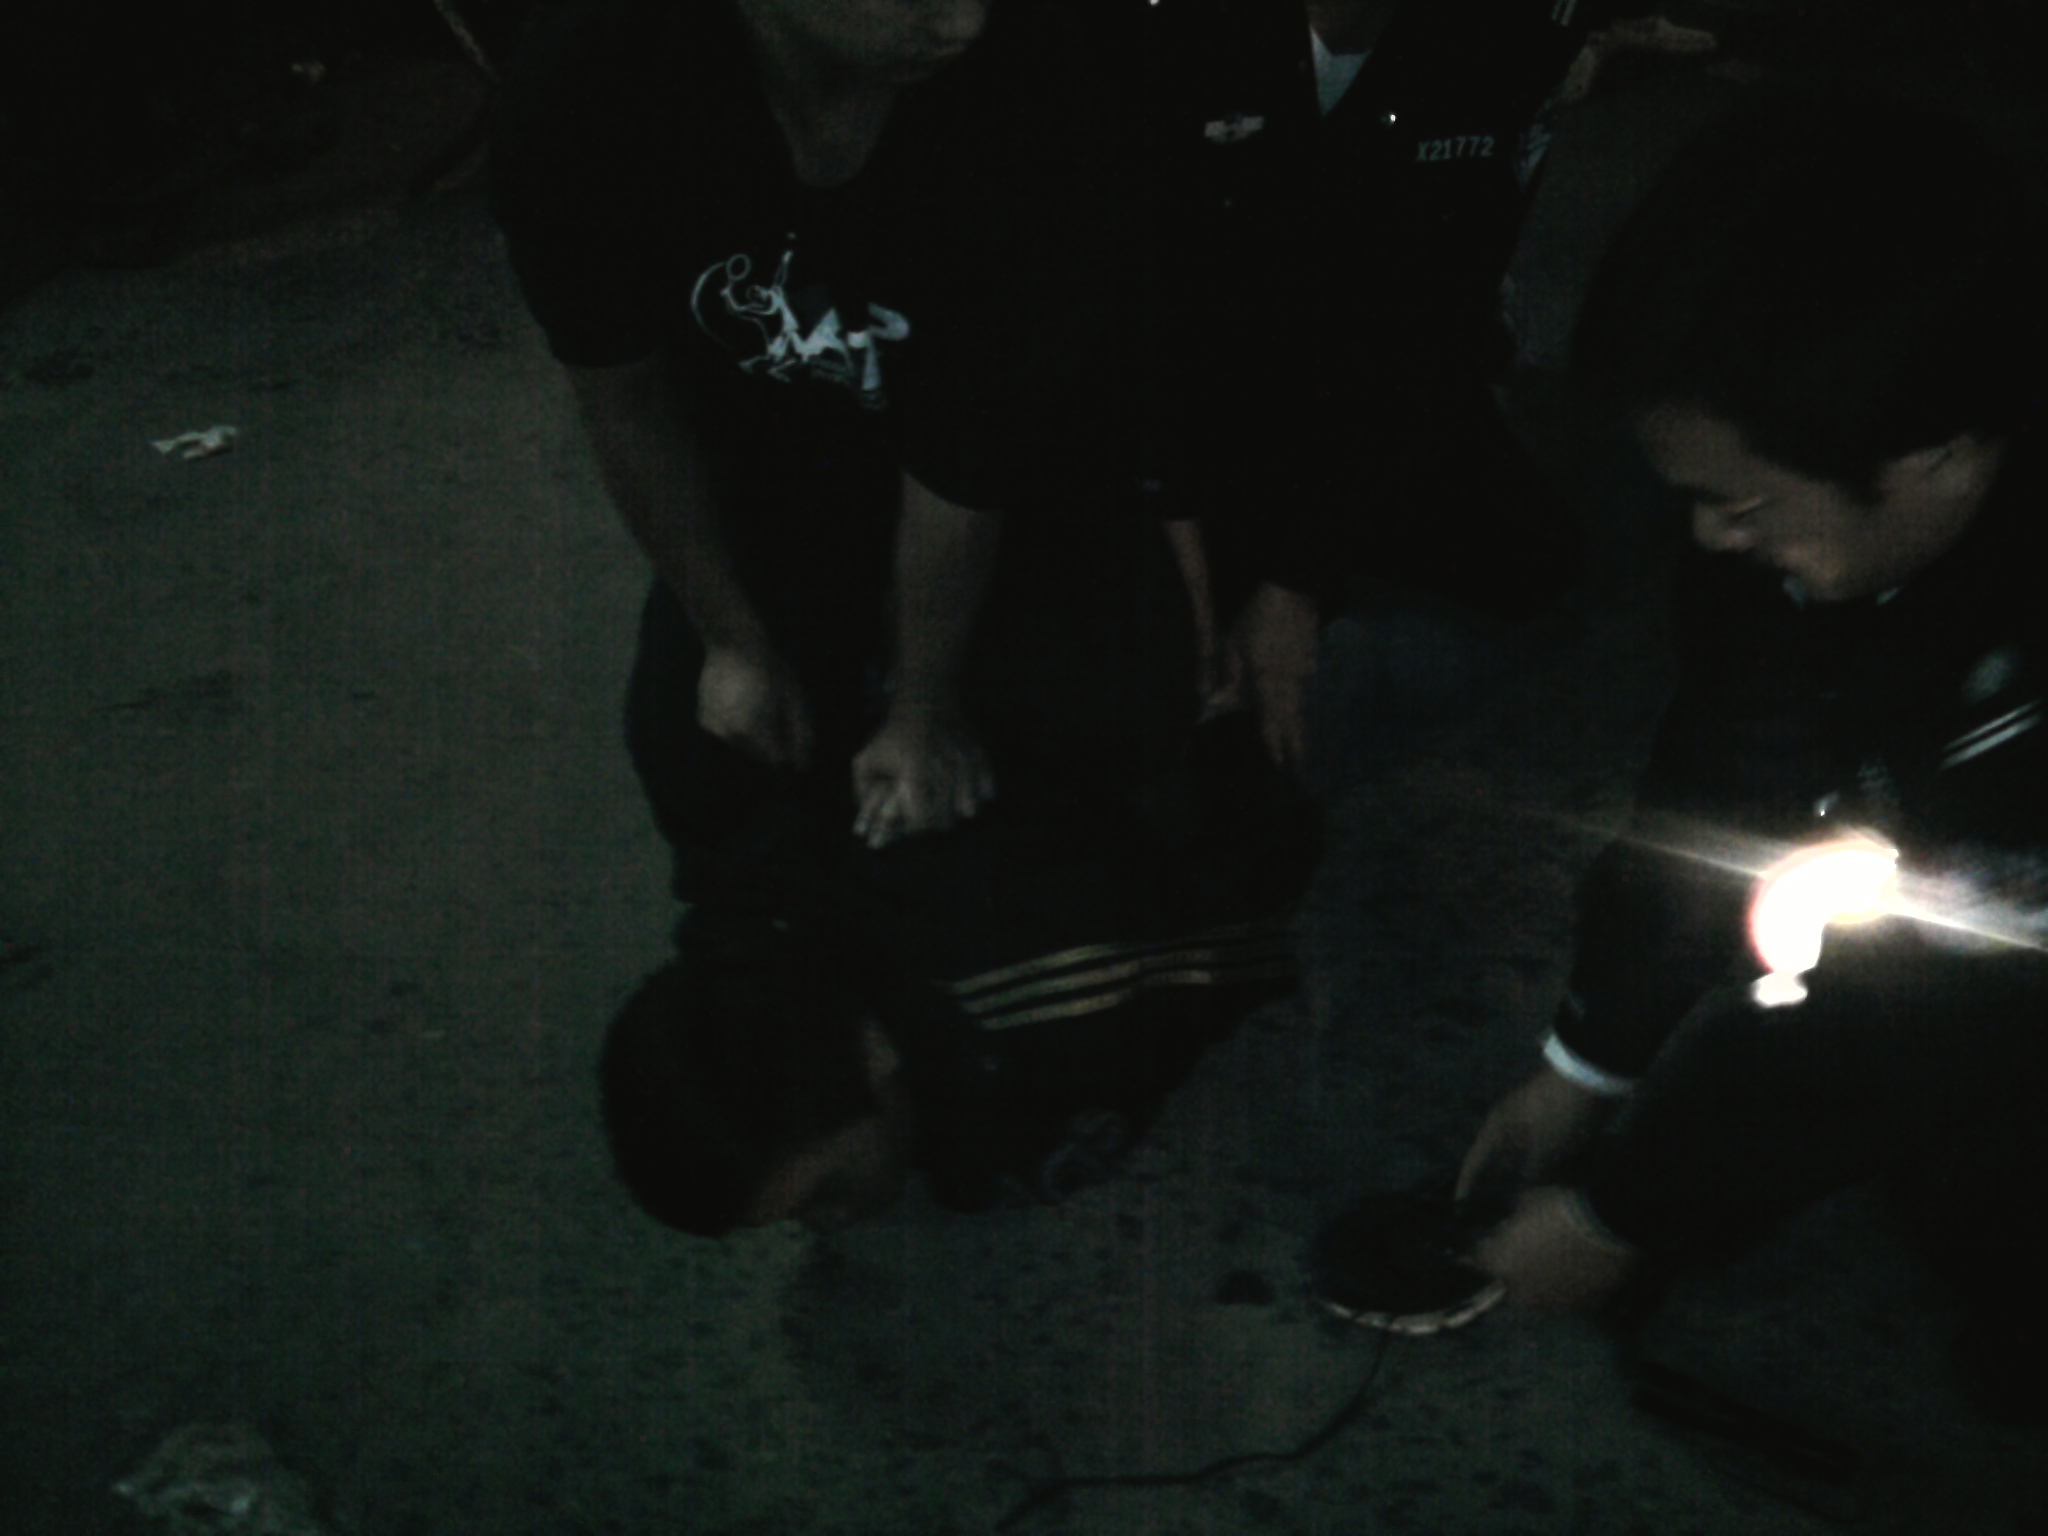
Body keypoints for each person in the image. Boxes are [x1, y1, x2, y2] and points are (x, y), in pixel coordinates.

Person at [1406, 92, 2047, 1403]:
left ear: (1939, 458)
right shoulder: (1807, 517)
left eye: (1739, 504)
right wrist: (1586, 1063)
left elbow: (1917, 1001)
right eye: (1692, 498)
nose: (1710, 537)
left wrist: (1623, 1216)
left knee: (1981, 1160)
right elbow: (1727, 767)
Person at [490, 0, 1156, 899]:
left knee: (1101, 715)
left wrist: (923, 705)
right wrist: (730, 639)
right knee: (704, 757)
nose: (964, 22)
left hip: (1018, 476)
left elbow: (972, 451)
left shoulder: (1047, 78)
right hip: (772, 474)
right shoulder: (584, 82)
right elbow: (623, 393)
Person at [1133, 0, 1687, 779]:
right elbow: (1145, 337)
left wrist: (1297, 578)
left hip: (1373, 374)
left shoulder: (1490, 50)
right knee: (1162, 674)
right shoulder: (1178, 44)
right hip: (1195, 400)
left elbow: (1434, 323)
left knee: (1536, 557)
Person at [600, 712, 1316, 1235]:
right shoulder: (763, 900)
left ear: (872, 1055)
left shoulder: (1055, 988)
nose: (830, 1222)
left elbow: (1254, 938)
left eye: (825, 1191)